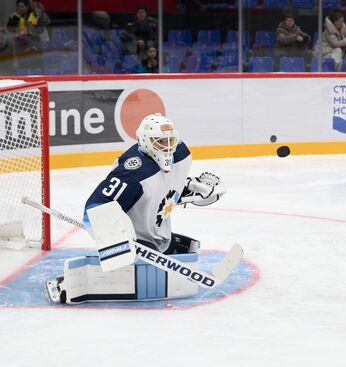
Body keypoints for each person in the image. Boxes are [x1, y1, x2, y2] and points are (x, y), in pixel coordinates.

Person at [46, 113, 226, 304]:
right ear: (145, 141)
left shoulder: (181, 154)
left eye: (170, 141)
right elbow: (95, 207)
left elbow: (163, 190)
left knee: (187, 248)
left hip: (159, 233)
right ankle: (68, 283)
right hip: (139, 239)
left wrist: (191, 188)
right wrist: (119, 240)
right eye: (160, 142)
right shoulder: (133, 173)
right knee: (143, 278)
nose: (167, 147)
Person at [6, 0, 49, 66]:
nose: (20, 8)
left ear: (27, 7)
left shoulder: (33, 14)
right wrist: (16, 18)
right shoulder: (14, 15)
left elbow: (41, 26)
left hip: (33, 40)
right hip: (19, 41)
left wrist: (29, 30)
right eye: (18, 6)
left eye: (22, 6)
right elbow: (9, 28)